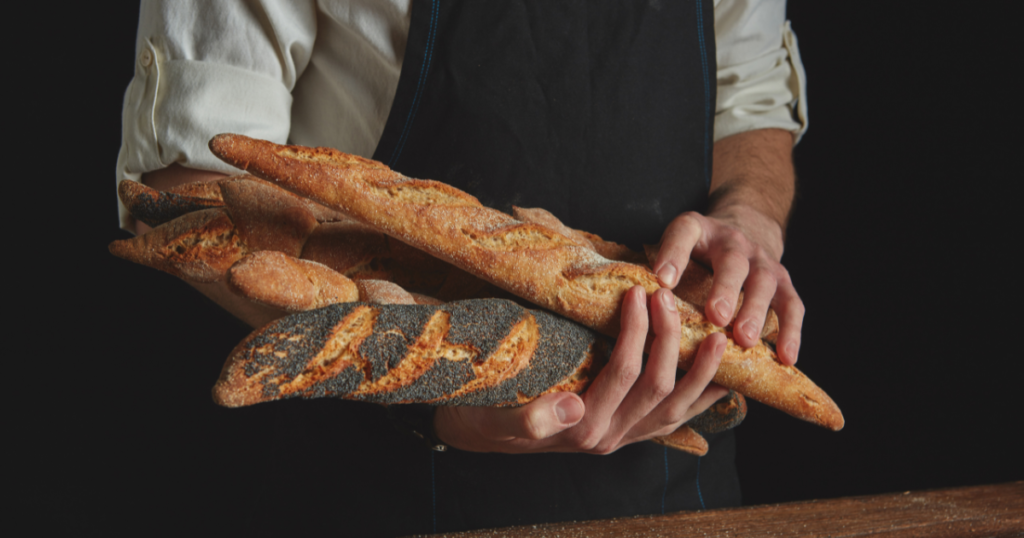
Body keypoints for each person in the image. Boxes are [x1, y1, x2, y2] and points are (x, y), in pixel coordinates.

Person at [117, 1, 807, 535]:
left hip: (671, 492)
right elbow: (187, 188)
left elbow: (750, 101)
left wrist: (748, 219)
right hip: (372, 484)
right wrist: (435, 392)